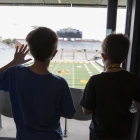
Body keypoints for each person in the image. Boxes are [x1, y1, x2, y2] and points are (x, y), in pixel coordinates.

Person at [0, 27, 76, 140]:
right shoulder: (59, 83)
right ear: (54, 53)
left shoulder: (15, 73)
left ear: (30, 51)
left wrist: (14, 62)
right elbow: (70, 114)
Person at [80, 34, 140, 140]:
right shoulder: (134, 79)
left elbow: (86, 110)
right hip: (123, 134)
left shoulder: (95, 80)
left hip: (99, 134)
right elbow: (138, 106)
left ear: (103, 56)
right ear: (125, 57)